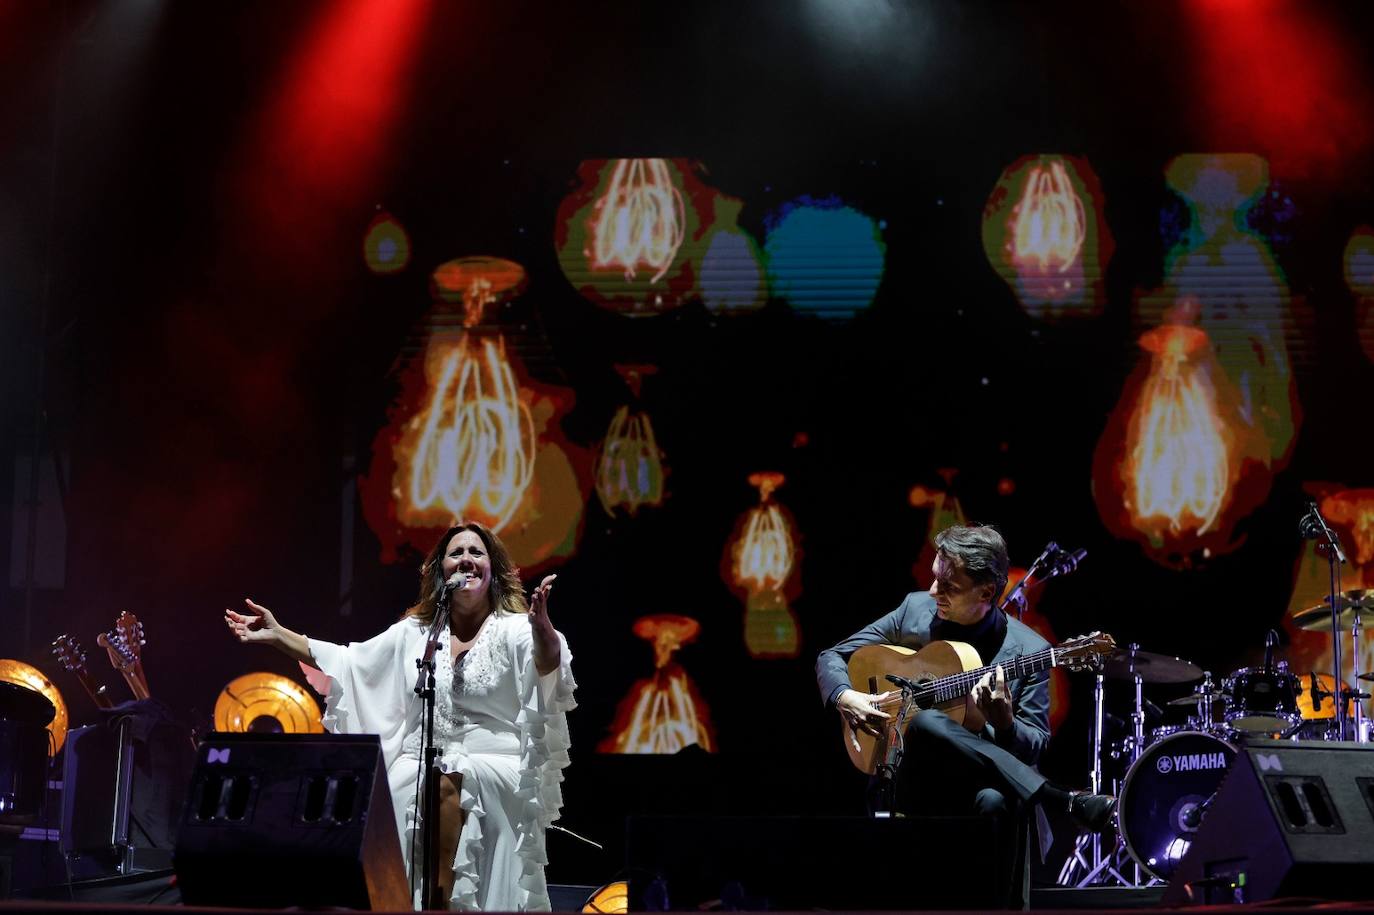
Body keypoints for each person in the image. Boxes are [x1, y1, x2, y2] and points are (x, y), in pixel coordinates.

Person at [225, 521, 576, 912]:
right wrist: (279, 636)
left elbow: (548, 662)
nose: (466, 560)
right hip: (423, 759)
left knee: (451, 783)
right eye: (455, 553)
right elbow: (349, 661)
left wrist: (542, 626)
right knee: (391, 791)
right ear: (439, 571)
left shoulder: (515, 629)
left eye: (476, 552)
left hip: (494, 762)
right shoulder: (418, 632)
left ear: (492, 568)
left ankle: (437, 908)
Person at [814, 524, 1112, 907]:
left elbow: (1035, 742)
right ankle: (1058, 798)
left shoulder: (1028, 651)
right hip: (912, 776)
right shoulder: (915, 611)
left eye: (949, 587)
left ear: (987, 592)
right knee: (923, 722)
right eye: (936, 579)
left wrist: (1003, 723)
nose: (934, 592)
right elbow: (831, 656)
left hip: (977, 781)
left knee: (992, 801)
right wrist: (845, 696)